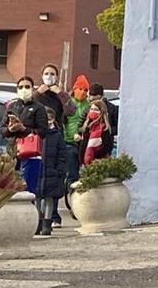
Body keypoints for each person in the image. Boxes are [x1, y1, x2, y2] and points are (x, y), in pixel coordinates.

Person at [0, 76, 48, 194]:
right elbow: (2, 130)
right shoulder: (12, 106)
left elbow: (43, 132)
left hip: (30, 153)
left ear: (32, 88)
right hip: (12, 152)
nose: (24, 89)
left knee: (28, 189)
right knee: (9, 188)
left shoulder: (39, 108)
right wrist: (11, 129)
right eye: (21, 87)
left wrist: (24, 129)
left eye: (27, 87)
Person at [36, 107, 67, 236]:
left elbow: (62, 155)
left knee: (49, 198)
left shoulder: (57, 135)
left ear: (52, 119)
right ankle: (37, 223)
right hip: (38, 170)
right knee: (37, 198)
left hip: (51, 171)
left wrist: (59, 171)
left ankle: (46, 224)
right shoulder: (37, 133)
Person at [62, 74, 90, 203]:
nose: (83, 92)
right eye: (80, 89)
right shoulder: (69, 104)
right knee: (72, 174)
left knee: (83, 174)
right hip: (69, 143)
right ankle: (71, 200)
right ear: (74, 89)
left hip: (84, 143)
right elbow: (63, 122)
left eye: (85, 90)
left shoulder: (88, 105)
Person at [78, 99, 114, 166]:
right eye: (92, 109)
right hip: (85, 163)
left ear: (101, 112)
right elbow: (83, 145)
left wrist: (96, 153)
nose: (93, 111)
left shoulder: (104, 128)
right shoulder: (87, 126)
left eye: (96, 109)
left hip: (98, 163)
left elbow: (108, 146)